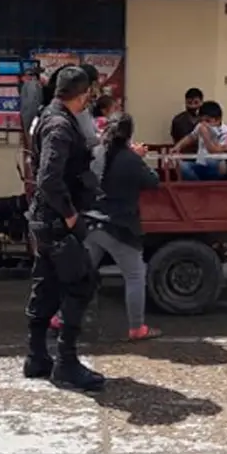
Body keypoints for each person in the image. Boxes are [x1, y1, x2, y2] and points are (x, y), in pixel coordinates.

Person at [23, 65, 105, 392]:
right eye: (88, 95)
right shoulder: (59, 125)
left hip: (46, 220)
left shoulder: (49, 116)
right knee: (82, 283)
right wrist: (70, 214)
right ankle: (66, 364)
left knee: (47, 285)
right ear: (83, 95)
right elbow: (48, 179)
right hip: (57, 221)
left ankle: (36, 357)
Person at [84, 113, 162, 341]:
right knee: (136, 276)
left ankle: (59, 317)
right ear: (129, 135)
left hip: (92, 222)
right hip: (119, 226)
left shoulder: (97, 152)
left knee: (82, 274)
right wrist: (140, 157)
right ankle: (137, 328)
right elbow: (153, 182)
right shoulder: (130, 159)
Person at [170, 101, 227, 181]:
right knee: (182, 166)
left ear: (218, 120)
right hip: (200, 165)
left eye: (208, 121)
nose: (204, 124)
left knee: (211, 160)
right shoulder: (201, 126)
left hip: (216, 167)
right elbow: (191, 137)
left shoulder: (225, 131)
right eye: (202, 121)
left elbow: (215, 151)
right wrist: (177, 147)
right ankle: (198, 185)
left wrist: (205, 135)